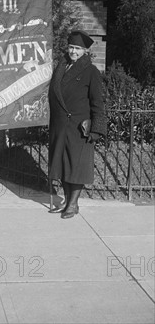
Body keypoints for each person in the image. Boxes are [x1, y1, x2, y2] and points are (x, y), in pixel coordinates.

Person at [48, 29, 107, 218]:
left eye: (78, 49)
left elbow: (97, 102)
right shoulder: (61, 67)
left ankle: (72, 205)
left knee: (76, 166)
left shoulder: (91, 72)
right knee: (63, 165)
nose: (73, 51)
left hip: (79, 127)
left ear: (85, 52)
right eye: (71, 47)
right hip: (60, 126)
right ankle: (67, 202)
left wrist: (96, 128)